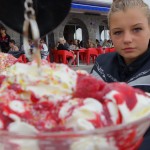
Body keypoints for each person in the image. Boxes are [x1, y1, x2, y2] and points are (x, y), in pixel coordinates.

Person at [90, 0, 150, 149]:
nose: (127, 39)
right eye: (118, 32)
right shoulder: (101, 64)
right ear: (110, 34)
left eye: (137, 29)